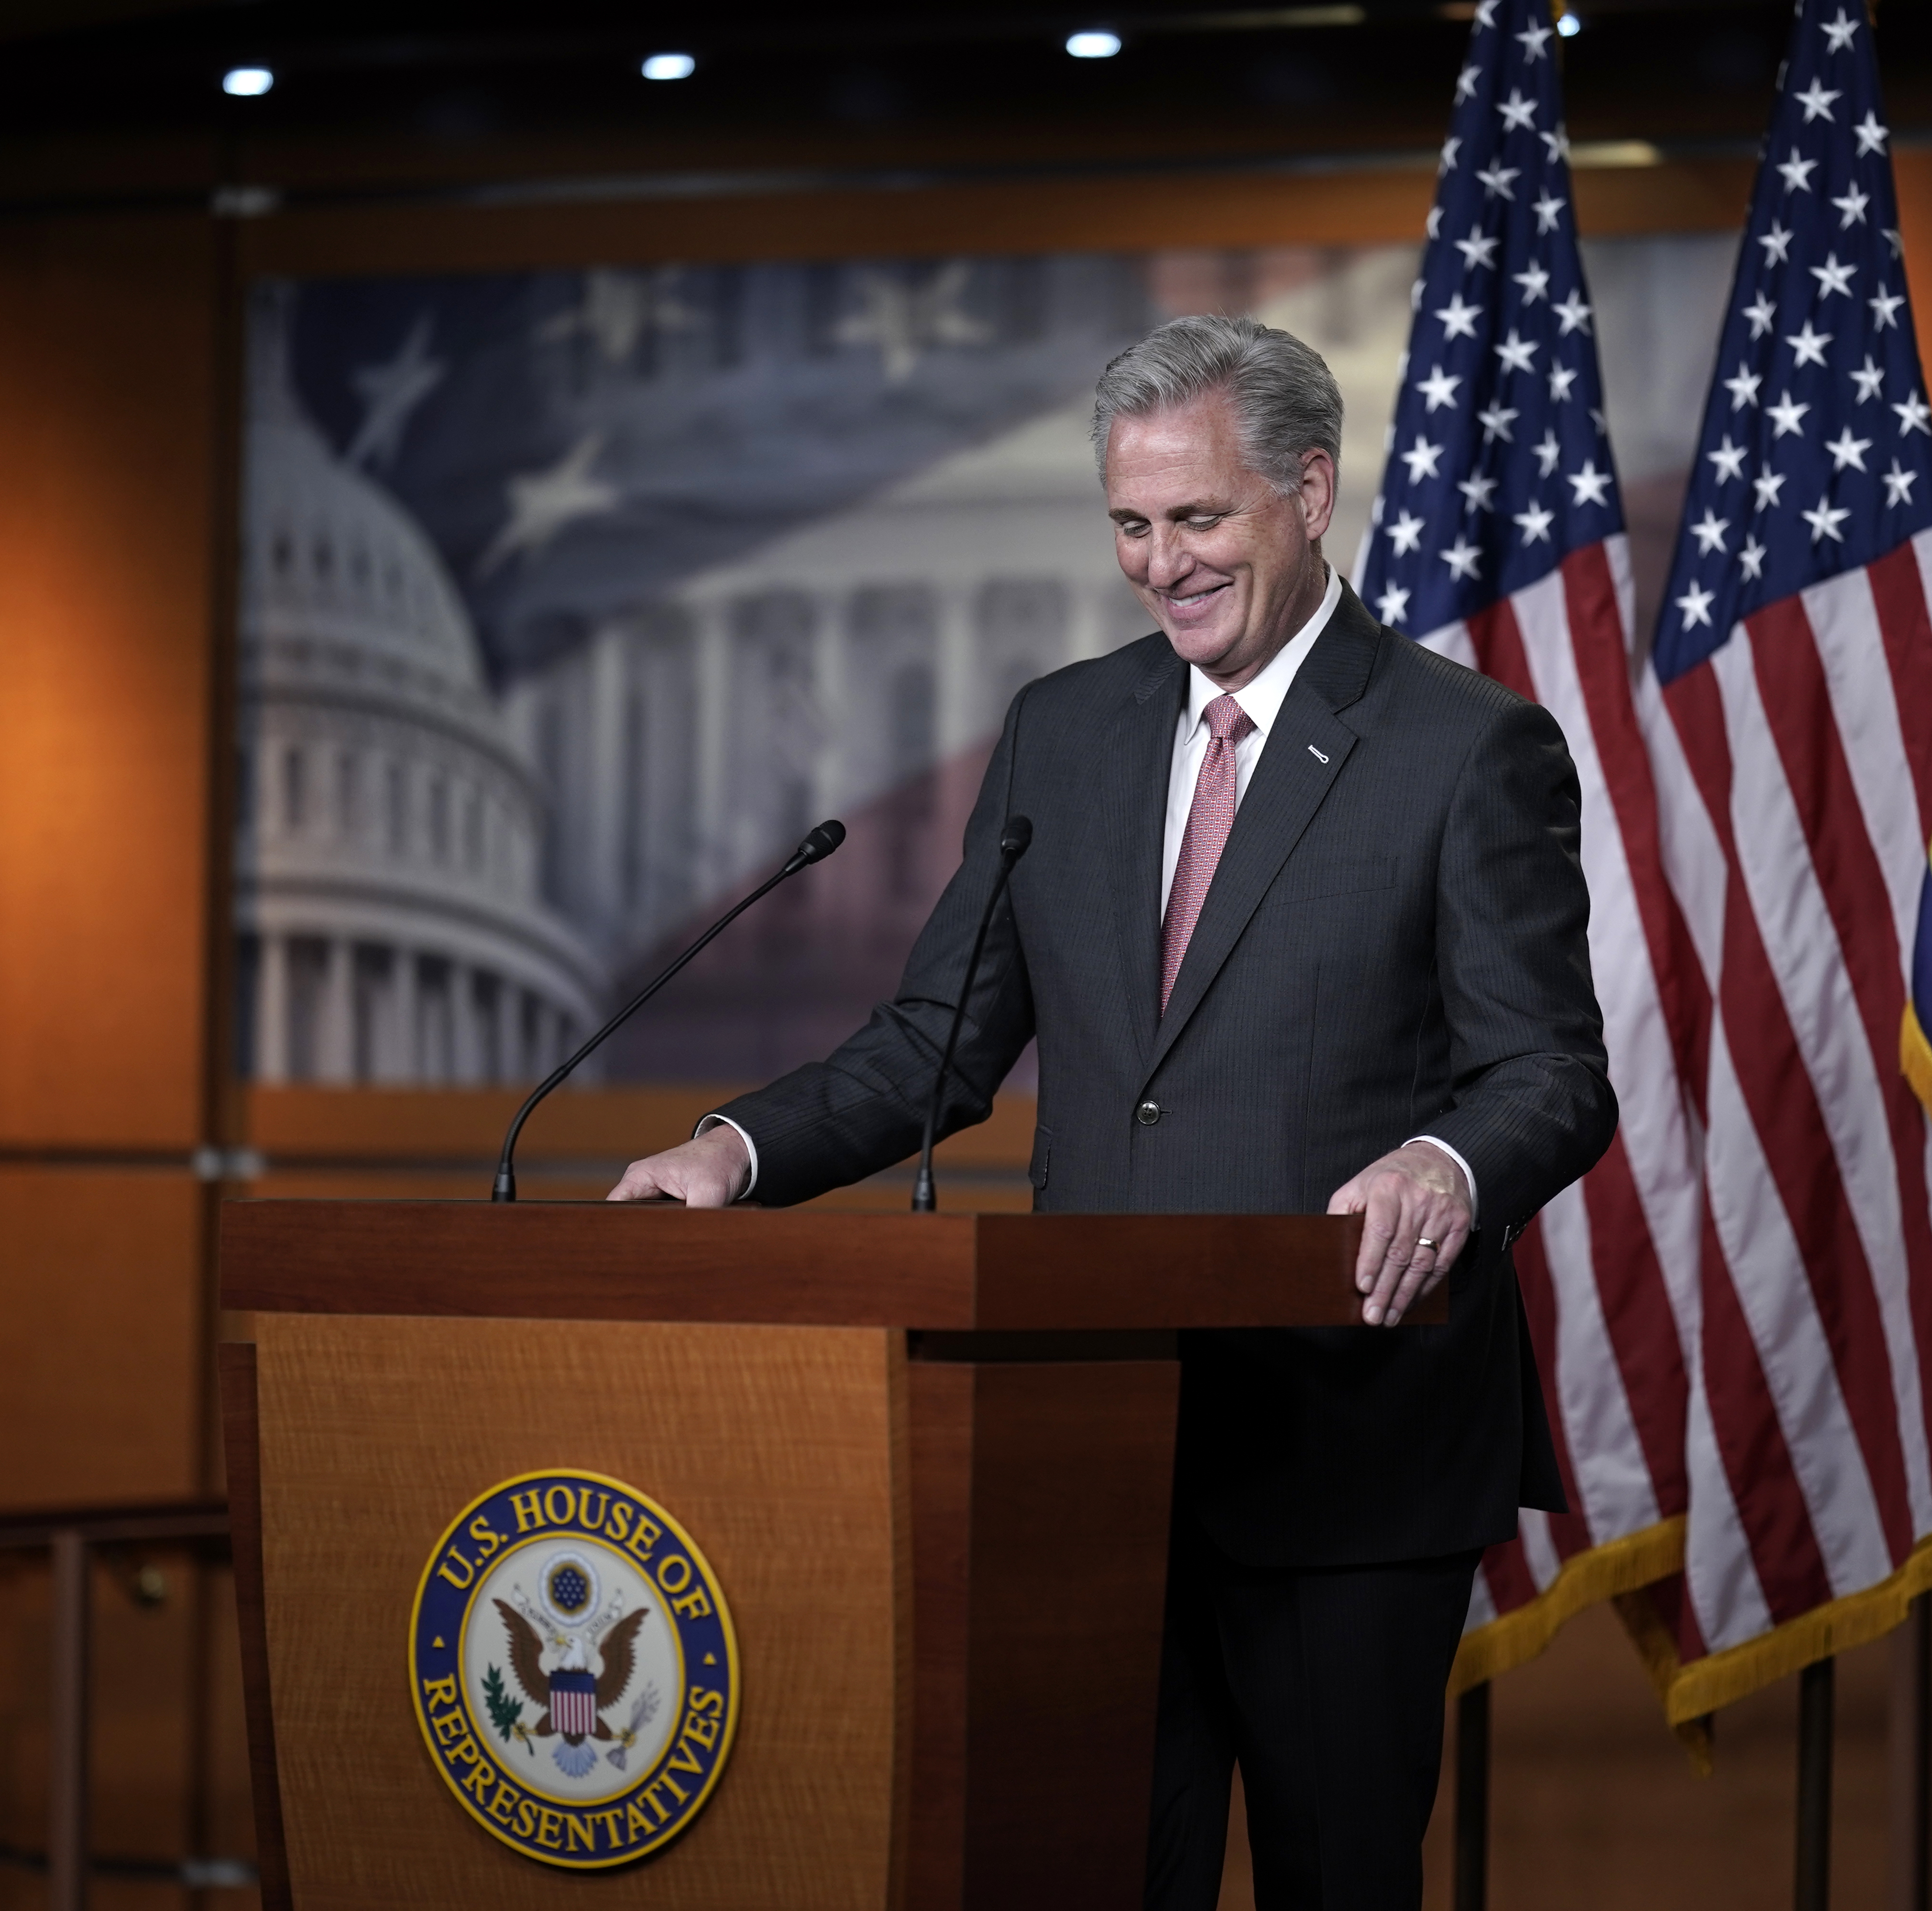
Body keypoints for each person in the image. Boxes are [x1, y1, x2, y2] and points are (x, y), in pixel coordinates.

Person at [609, 314, 1615, 1910]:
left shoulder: (1465, 747)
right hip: (1090, 1453)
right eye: (1131, 525)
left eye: (1197, 518)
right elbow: (940, 1041)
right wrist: (734, 1155)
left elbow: (1552, 1073)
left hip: (1345, 1456)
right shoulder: (1062, 733)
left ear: (1307, 489)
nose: (1160, 564)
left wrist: (1444, 1159)